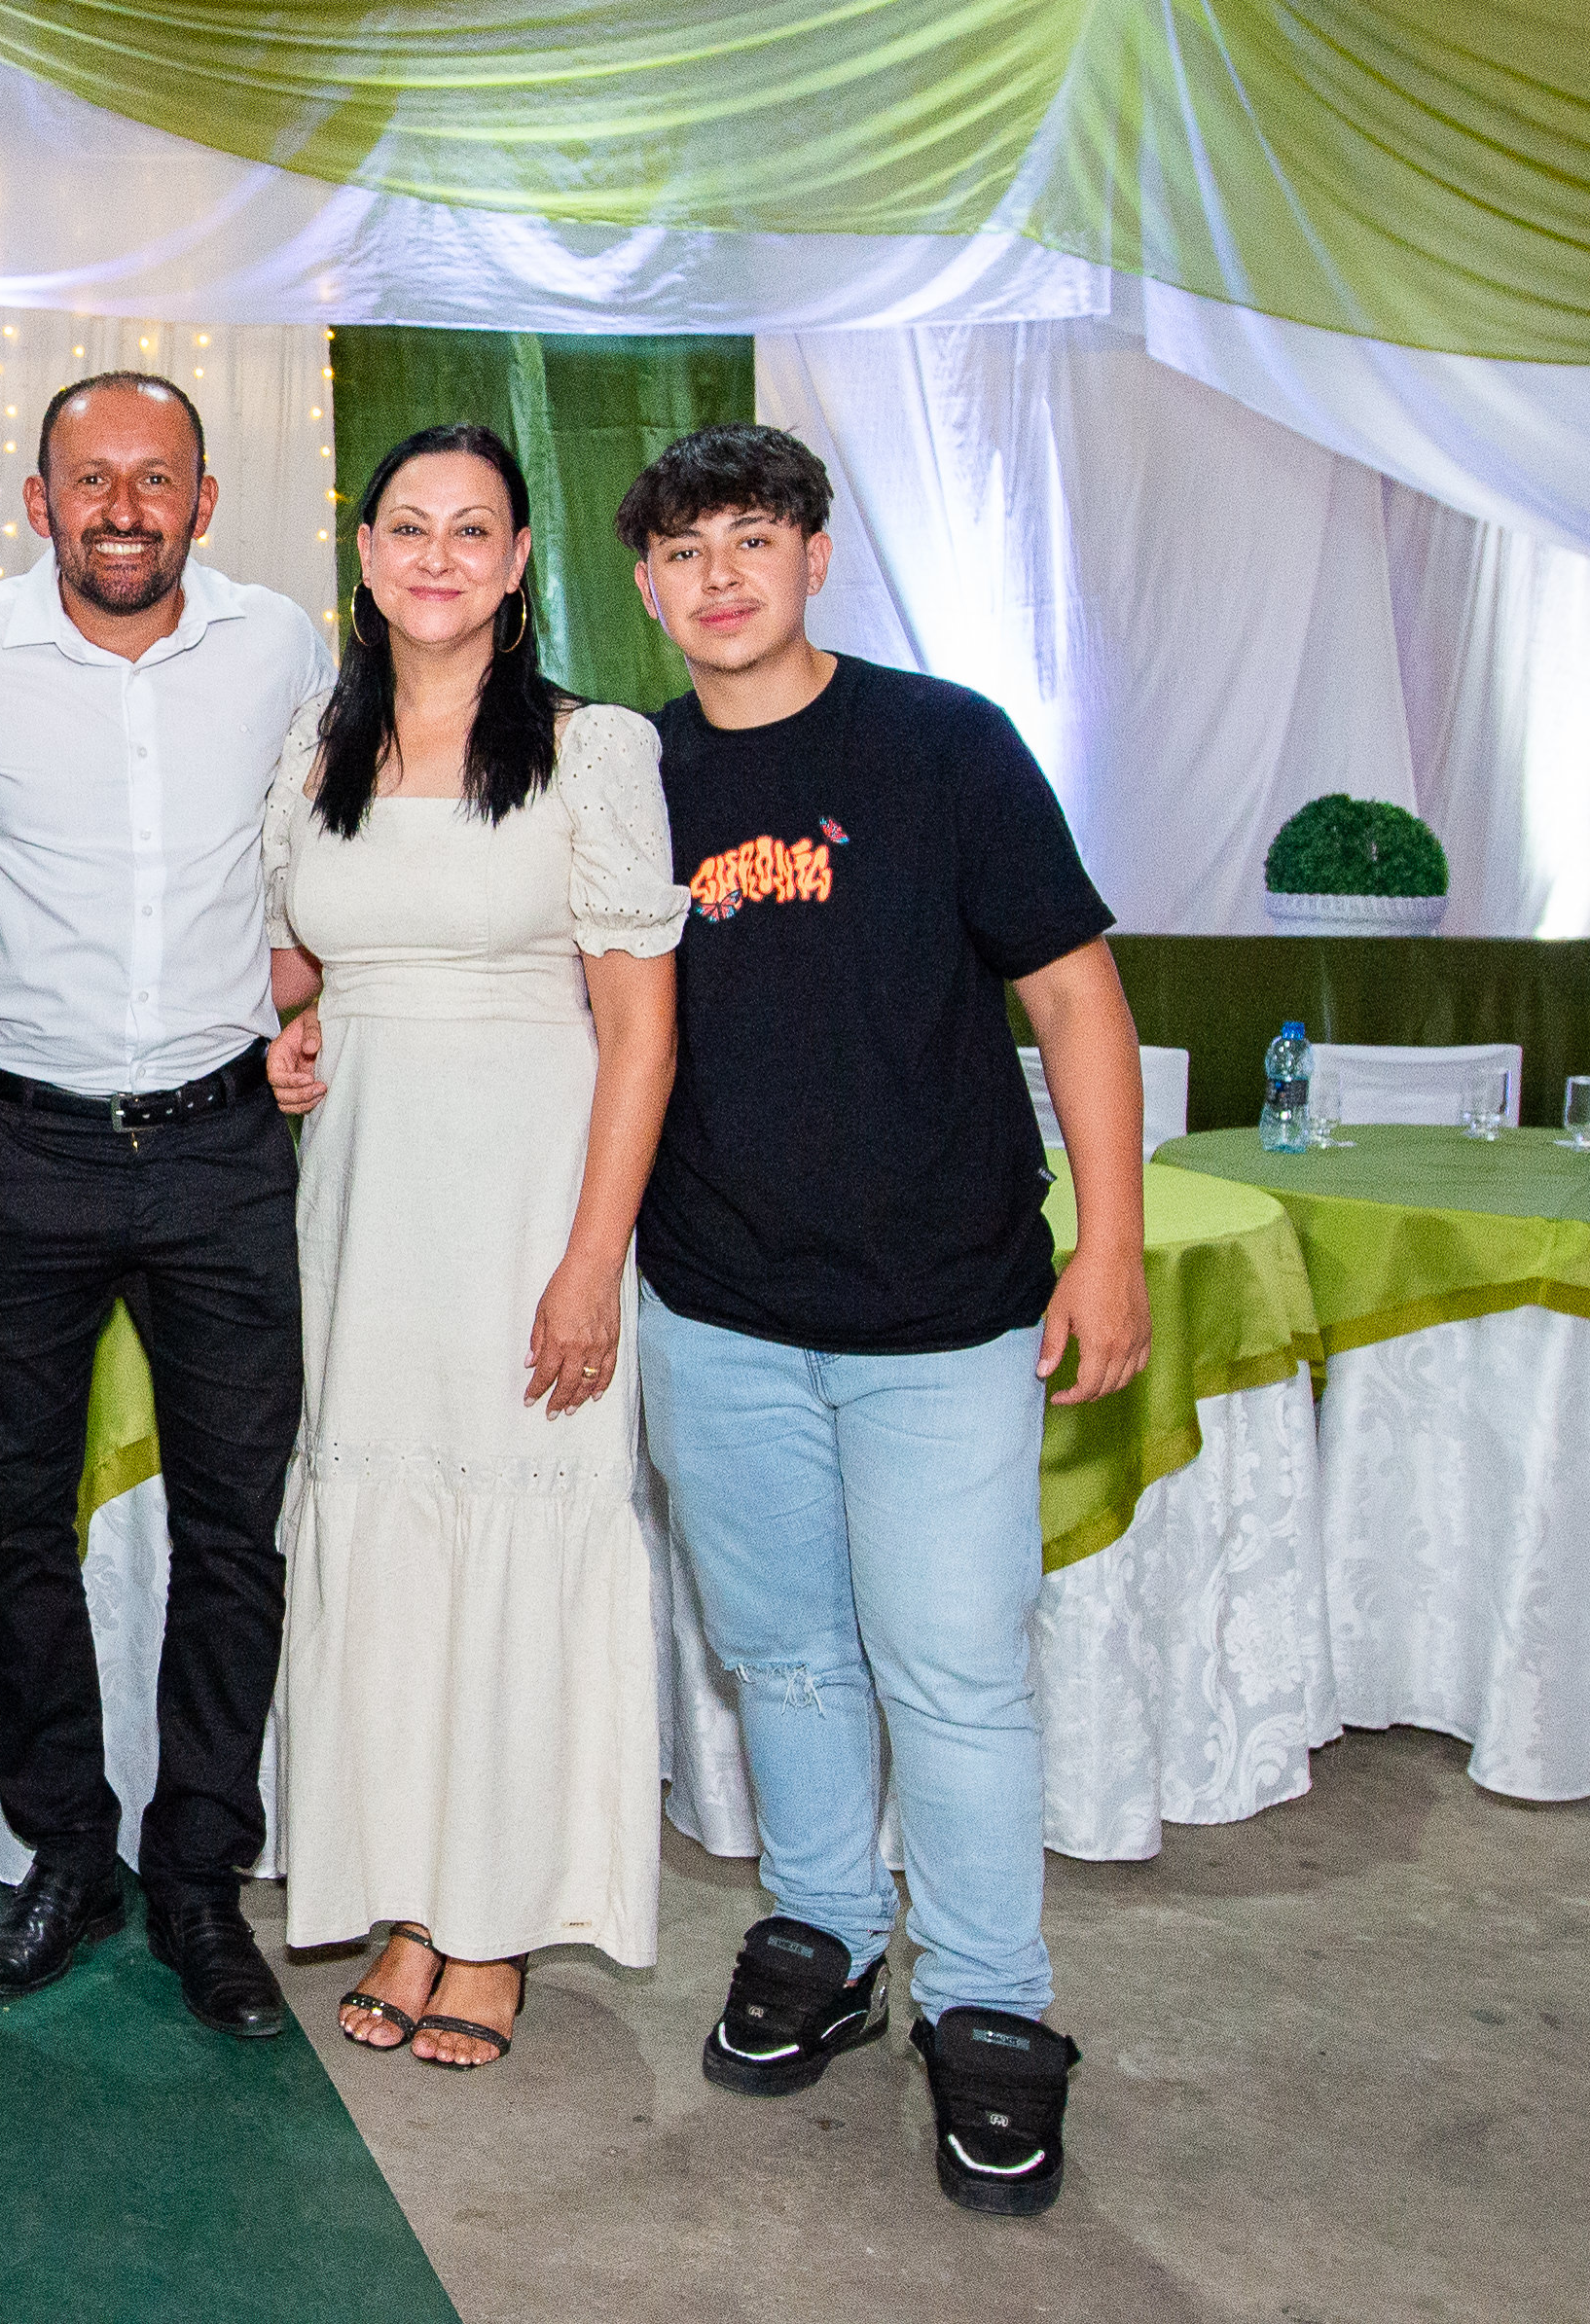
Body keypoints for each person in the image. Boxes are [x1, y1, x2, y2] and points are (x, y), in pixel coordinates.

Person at [612, 422, 1148, 2216]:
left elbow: (1075, 995)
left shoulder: (943, 744)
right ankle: (827, 1931)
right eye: (687, 552)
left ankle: (991, 2004)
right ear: (646, 586)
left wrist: (1113, 1242)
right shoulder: (632, 777)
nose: (722, 578)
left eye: (753, 540)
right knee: (781, 1653)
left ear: (815, 556)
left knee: (955, 1668)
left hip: (945, 1312)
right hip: (718, 1306)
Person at [0, 374, 330, 2038]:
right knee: (21, 1528)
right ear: (38, 501)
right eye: (92, 480)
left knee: (234, 1534)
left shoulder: (282, 647)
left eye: (157, 479)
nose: (124, 507)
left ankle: (200, 1876)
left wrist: (312, 986)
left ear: (204, 502)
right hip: (21, 1150)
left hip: (223, 1147)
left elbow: (326, 842)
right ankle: (66, 1851)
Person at [259, 423, 684, 2067]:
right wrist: (283, 1038)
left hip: (527, 1202)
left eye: (473, 530)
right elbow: (298, 962)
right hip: (363, 1207)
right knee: (386, 1548)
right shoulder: (316, 746)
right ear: (366, 555)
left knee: (516, 1533)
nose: (437, 555)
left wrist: (590, 1261)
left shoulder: (594, 752)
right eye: (409, 527)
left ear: (515, 563)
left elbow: (640, 1033)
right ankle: (410, 1904)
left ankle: (495, 1919)